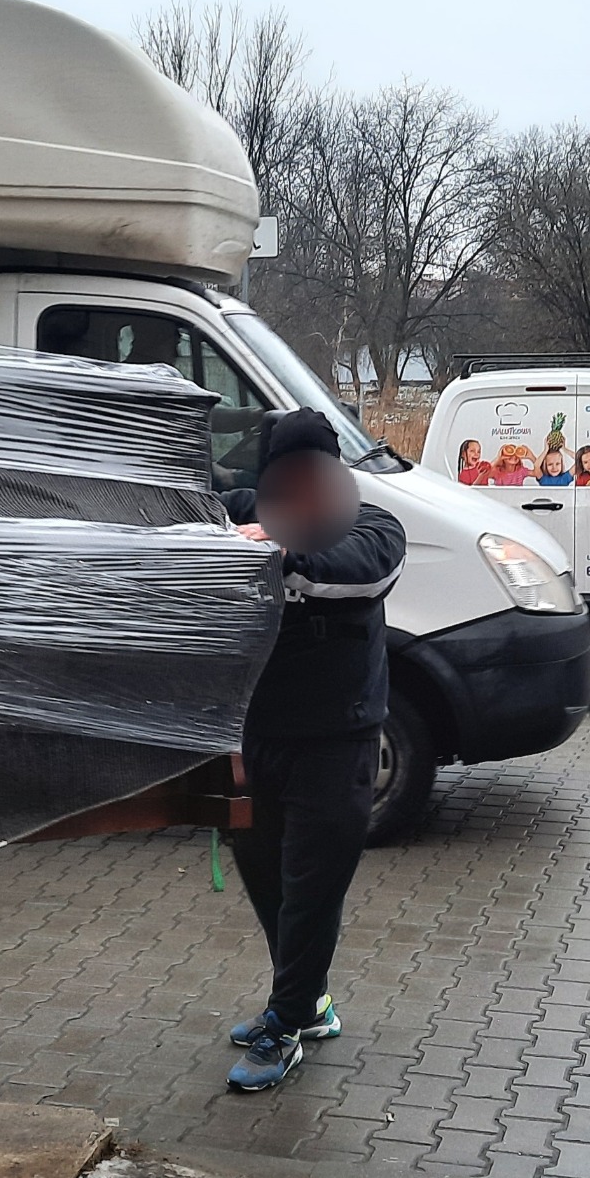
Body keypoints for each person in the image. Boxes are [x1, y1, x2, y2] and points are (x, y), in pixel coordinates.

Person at [219, 410, 407, 1091]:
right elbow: (187, 508)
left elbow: (357, 574)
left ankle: (285, 1027)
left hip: (337, 739)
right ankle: (309, 1001)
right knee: (264, 876)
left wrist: (277, 552)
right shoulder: (238, 510)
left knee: (310, 889)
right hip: (257, 734)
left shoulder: (374, 528)